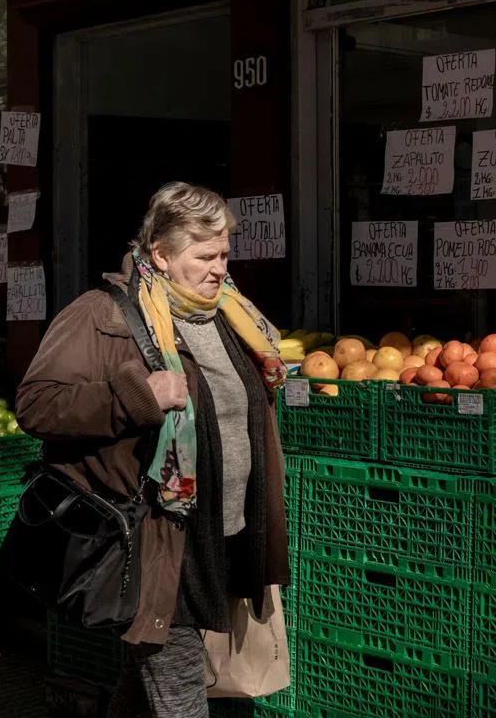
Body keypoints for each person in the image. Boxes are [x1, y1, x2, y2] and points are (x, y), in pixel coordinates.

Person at [15, 182, 290, 718]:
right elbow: (37, 405)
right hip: (157, 534)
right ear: (160, 254)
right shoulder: (102, 315)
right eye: (204, 256)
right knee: (180, 684)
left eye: (224, 254)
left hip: (226, 530)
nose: (218, 269)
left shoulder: (231, 317)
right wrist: (138, 396)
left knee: (150, 681)